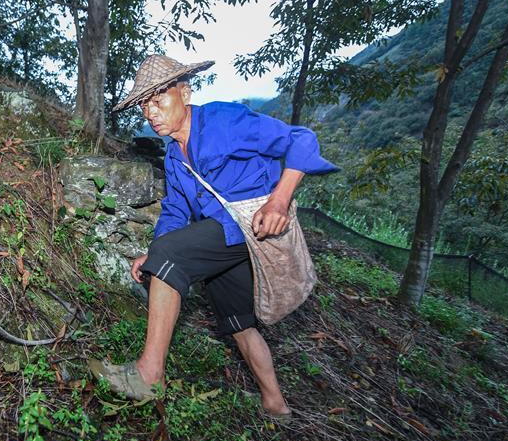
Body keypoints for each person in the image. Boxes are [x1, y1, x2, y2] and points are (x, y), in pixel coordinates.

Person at [88, 55, 338, 418]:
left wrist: (280, 200)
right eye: (145, 106)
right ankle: (276, 405)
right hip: (227, 238)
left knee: (170, 256)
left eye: (159, 101)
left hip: (253, 224)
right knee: (238, 322)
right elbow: (175, 209)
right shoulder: (174, 154)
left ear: (184, 93)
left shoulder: (224, 120)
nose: (151, 113)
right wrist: (150, 253)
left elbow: (301, 140)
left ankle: (149, 374)